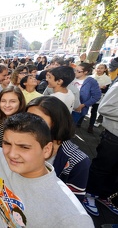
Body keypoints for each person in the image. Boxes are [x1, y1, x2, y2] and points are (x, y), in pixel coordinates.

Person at [0, 112, 94, 227]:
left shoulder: (72, 217)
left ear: (46, 150)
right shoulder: (3, 159)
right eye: (7, 143)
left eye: (24, 147)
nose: (12, 154)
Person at [27, 96, 91, 201]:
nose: (28, 124)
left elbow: (73, 202)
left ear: (57, 122)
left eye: (37, 120)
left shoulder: (78, 161)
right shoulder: (21, 145)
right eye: (27, 118)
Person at [82, 82, 118, 217]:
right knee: (102, 167)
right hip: (114, 136)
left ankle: (104, 196)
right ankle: (90, 194)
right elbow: (105, 108)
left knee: (115, 171)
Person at [71, 63, 101, 132]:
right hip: (66, 105)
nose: (75, 72)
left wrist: (83, 105)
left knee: (70, 126)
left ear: (85, 72)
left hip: (77, 109)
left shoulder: (91, 81)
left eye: (78, 71)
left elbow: (96, 96)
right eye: (75, 70)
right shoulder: (71, 78)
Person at [89, 63, 111, 129]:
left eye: (101, 68)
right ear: (95, 69)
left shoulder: (107, 79)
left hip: (98, 98)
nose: (99, 70)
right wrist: (99, 87)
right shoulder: (91, 77)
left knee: (94, 111)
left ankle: (91, 126)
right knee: (84, 108)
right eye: (98, 68)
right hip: (89, 96)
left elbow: (104, 90)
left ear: (105, 69)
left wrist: (95, 88)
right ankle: (79, 123)